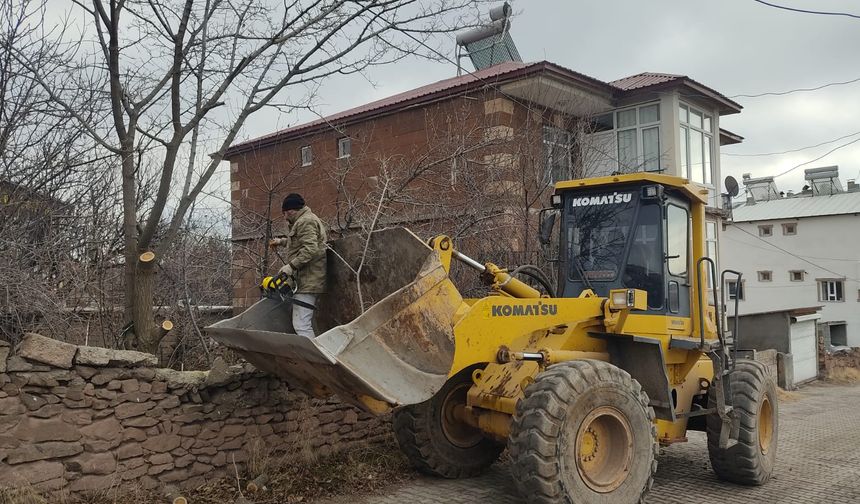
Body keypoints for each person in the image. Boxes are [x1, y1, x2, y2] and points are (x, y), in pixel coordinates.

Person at [269, 193, 327, 338]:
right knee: (303, 322)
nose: (285, 217)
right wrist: (281, 242)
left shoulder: (305, 222)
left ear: (291, 211)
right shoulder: (303, 220)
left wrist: (291, 266)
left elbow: (310, 249)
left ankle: (314, 358)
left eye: (285, 213)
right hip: (305, 279)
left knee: (301, 325)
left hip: (309, 279)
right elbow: (301, 241)